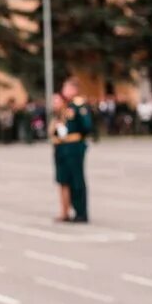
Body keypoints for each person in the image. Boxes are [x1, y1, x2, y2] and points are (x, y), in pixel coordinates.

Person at [59, 78, 91, 223]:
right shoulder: (68, 106)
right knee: (70, 180)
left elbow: (87, 126)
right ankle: (75, 210)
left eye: (66, 87)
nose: (64, 90)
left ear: (74, 89)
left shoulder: (79, 105)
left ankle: (81, 213)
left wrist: (80, 140)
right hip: (67, 146)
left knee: (77, 180)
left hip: (76, 146)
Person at [49, 93, 75, 223]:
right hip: (58, 150)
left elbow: (64, 133)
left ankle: (66, 211)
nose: (54, 104)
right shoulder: (56, 116)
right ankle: (64, 210)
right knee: (61, 182)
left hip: (66, 150)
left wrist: (58, 126)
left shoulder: (66, 114)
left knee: (65, 182)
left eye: (56, 101)